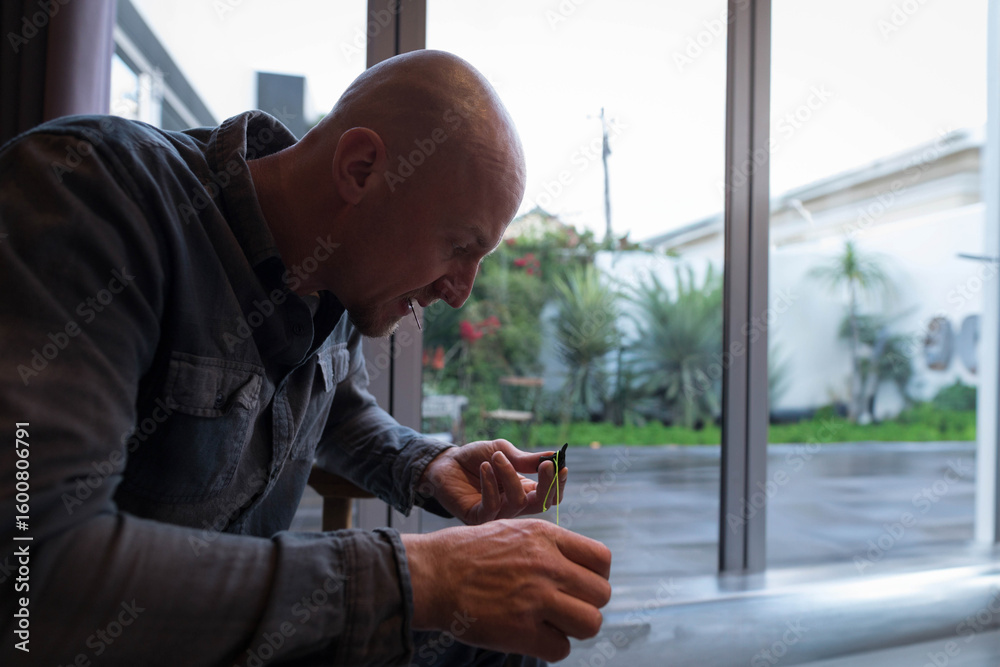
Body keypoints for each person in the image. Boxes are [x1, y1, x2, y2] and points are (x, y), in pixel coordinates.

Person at [0, 49, 612, 666]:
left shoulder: (339, 281)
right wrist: (417, 575)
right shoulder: (93, 192)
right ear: (362, 168)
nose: (460, 291)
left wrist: (430, 465)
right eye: (459, 246)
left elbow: (341, 414)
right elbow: (30, 571)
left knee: (507, 635)